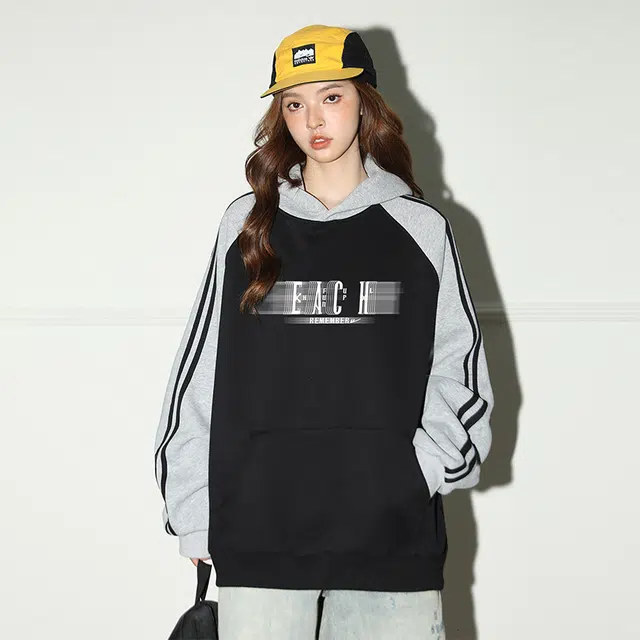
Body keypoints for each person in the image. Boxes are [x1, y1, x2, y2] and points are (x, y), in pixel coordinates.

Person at [153, 23, 494, 639]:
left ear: (365, 102)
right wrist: (194, 511)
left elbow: (460, 369)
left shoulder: (419, 229)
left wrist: (414, 474)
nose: (313, 119)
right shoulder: (246, 226)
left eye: (331, 96)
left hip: (390, 541)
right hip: (259, 536)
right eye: (294, 103)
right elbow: (198, 376)